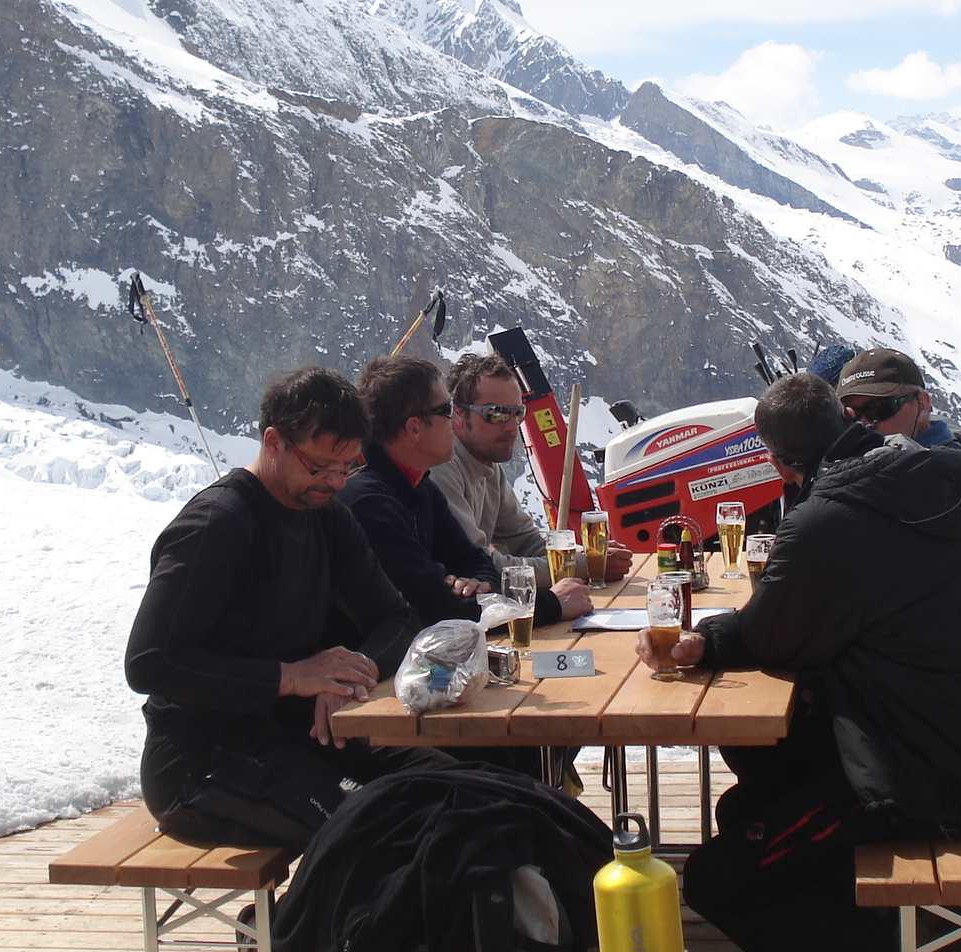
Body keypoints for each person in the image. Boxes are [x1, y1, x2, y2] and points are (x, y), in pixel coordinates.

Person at [636, 372, 961, 952]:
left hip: (944, 779)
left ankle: (932, 941)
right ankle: (911, 925)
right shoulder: (916, 484)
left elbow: (773, 636)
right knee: (755, 798)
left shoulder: (831, 519)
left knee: (719, 879)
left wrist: (706, 639)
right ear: (848, 422)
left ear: (778, 462)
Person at [124, 365, 447, 851]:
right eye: (320, 466)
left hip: (299, 736)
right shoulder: (218, 525)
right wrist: (292, 678)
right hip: (203, 762)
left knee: (454, 790)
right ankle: (291, 927)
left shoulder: (327, 517)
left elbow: (397, 617)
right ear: (273, 441)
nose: (337, 482)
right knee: (380, 827)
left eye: (348, 467)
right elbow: (150, 662)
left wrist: (350, 675)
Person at [337, 354, 585, 625]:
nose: (453, 419)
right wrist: (550, 605)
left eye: (517, 414)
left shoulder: (420, 485)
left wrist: (476, 583)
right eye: (446, 410)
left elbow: (477, 562)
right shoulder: (369, 502)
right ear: (414, 428)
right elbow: (435, 607)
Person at [429, 352, 626, 619]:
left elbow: (525, 540)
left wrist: (587, 556)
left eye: (517, 414)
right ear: (459, 416)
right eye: (497, 414)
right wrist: (587, 565)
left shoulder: (487, 463)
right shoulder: (441, 467)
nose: (512, 427)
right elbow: (482, 567)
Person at [835, 347, 961, 600]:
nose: (864, 424)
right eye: (850, 416)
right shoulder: (873, 467)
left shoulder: (953, 472)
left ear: (923, 404)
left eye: (878, 409)